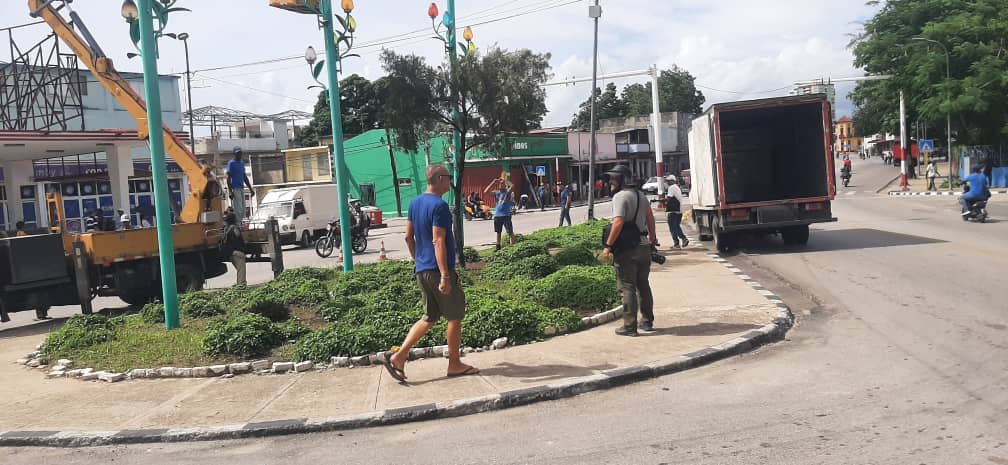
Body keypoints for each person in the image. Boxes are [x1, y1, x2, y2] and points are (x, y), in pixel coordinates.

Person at [384, 164, 478, 382]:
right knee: (455, 316)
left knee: (429, 317)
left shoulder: (415, 203)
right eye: (448, 177)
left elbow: (408, 237)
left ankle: (399, 357)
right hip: (438, 271)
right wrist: (445, 275)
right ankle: (454, 364)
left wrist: (418, 261)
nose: (450, 181)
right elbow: (438, 240)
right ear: (439, 179)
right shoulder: (439, 206)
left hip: (422, 269)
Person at [601, 165, 658, 336]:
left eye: (613, 179)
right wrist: (652, 239)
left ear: (622, 180)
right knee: (643, 285)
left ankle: (629, 326)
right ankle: (647, 322)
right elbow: (650, 218)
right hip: (643, 246)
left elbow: (618, 222)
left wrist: (608, 246)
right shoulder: (641, 195)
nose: (610, 182)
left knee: (627, 287)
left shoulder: (620, 197)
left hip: (627, 249)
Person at [226, 147, 255, 223]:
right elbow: (228, 178)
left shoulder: (242, 163)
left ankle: (243, 224)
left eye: (240, 153)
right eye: (237, 153)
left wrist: (250, 189)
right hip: (235, 188)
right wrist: (230, 191)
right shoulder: (231, 163)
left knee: (243, 209)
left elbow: (244, 176)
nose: (239, 155)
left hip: (241, 187)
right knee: (238, 208)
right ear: (234, 154)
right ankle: (239, 224)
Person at [487, 179, 515, 250]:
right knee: (498, 232)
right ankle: (498, 246)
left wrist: (505, 180)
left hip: (506, 215)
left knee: (510, 232)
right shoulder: (497, 193)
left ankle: (512, 247)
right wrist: (493, 182)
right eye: (500, 184)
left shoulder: (507, 192)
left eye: (502, 184)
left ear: (505, 186)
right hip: (497, 215)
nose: (501, 185)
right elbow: (486, 192)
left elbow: (512, 186)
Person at [221, 212, 247, 286]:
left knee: (239, 270)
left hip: (230, 253)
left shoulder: (226, 229)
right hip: (237, 252)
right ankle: (241, 286)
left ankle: (240, 285)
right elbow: (238, 238)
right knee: (241, 270)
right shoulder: (234, 228)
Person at [664, 177, 689, 249]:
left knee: (672, 227)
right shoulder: (677, 187)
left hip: (673, 211)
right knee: (676, 226)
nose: (667, 183)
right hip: (679, 210)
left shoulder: (671, 187)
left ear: (673, 181)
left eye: (668, 181)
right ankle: (683, 239)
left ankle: (677, 243)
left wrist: (662, 200)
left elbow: (669, 198)